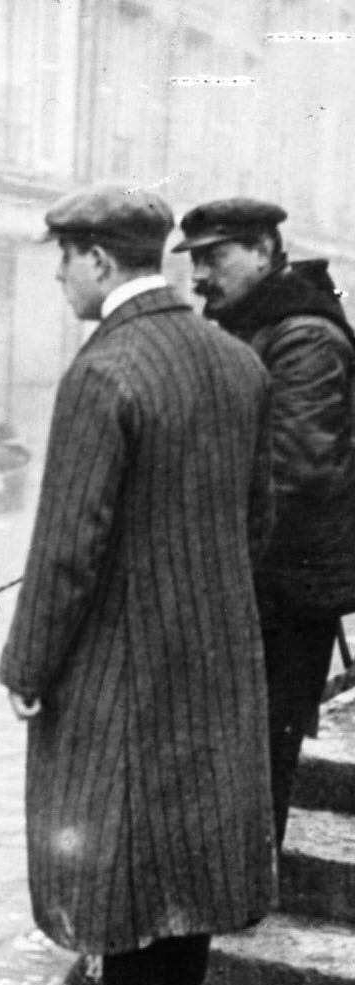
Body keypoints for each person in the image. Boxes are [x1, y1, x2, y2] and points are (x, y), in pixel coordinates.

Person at [0, 184, 276, 985]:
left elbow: (68, 544)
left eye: (63, 257)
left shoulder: (102, 372)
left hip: (122, 656)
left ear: (99, 261)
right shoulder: (234, 360)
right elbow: (260, 518)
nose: (56, 274)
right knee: (190, 828)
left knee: (113, 831)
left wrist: (29, 663)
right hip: (218, 645)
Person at [175, 198, 355, 846]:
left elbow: (295, 471)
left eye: (214, 256)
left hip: (285, 585)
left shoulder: (302, 334)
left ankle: (249, 886)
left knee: (264, 738)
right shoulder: (248, 325)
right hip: (247, 576)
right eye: (195, 259)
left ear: (262, 251)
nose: (199, 275)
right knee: (230, 738)